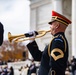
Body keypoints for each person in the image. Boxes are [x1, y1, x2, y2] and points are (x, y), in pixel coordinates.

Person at [26, 11, 71, 75]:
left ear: (57, 26)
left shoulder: (57, 40)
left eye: (51, 24)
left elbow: (55, 68)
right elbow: (39, 57)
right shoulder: (57, 40)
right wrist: (32, 41)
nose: (50, 26)